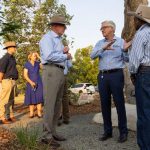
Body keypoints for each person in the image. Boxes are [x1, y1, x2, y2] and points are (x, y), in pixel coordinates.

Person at [90, 20, 131, 143]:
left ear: (112, 29)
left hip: (116, 75)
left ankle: (123, 132)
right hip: (102, 76)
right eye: (101, 28)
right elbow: (92, 56)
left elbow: (127, 59)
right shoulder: (99, 43)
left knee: (119, 103)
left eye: (104, 28)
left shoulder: (121, 42)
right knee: (104, 104)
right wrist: (103, 48)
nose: (101, 30)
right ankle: (107, 131)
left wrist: (125, 51)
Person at [39, 15, 72, 148]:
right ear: (54, 26)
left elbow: (55, 54)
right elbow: (48, 56)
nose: (64, 28)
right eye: (62, 25)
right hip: (51, 71)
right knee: (50, 104)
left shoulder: (58, 40)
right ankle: (46, 136)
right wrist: (65, 55)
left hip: (58, 71)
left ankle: (53, 132)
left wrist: (63, 53)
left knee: (57, 104)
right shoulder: (47, 38)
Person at [128, 5, 150, 150]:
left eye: (135, 18)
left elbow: (135, 61)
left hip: (145, 74)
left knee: (144, 113)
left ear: (138, 19)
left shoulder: (141, 34)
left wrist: (133, 74)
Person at [0, 41, 18, 124]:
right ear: (9, 48)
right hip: (6, 80)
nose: (15, 48)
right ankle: (2, 117)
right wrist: (0, 81)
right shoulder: (5, 58)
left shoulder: (12, 58)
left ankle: (10, 116)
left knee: (11, 100)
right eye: (14, 47)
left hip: (13, 80)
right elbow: (1, 71)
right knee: (4, 100)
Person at [24, 52, 43, 118]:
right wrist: (31, 82)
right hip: (30, 83)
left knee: (39, 98)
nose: (35, 57)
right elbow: (25, 75)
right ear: (30, 57)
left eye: (36, 56)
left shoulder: (38, 63)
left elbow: (43, 67)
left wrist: (39, 56)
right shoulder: (27, 64)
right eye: (34, 56)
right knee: (31, 98)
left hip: (39, 82)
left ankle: (39, 113)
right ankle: (31, 113)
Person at [58, 58, 72, 126]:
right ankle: (57, 118)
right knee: (56, 97)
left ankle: (66, 118)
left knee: (65, 97)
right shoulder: (57, 53)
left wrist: (69, 59)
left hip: (64, 76)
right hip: (56, 75)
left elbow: (70, 65)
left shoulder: (66, 56)